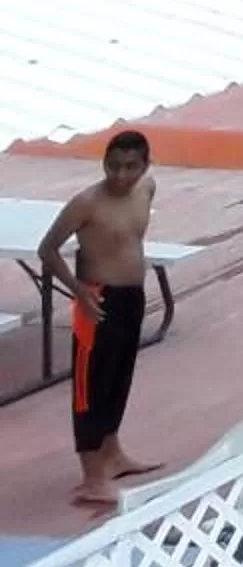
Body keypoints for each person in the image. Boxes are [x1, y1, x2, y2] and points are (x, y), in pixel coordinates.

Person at [39, 133, 160, 507]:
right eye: (113, 166)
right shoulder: (86, 203)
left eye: (131, 167)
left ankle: (114, 453)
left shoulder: (147, 190)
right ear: (103, 163)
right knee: (90, 388)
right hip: (97, 300)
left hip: (131, 297)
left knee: (119, 376)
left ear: (145, 167)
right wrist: (78, 289)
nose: (121, 175)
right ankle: (92, 477)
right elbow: (47, 249)